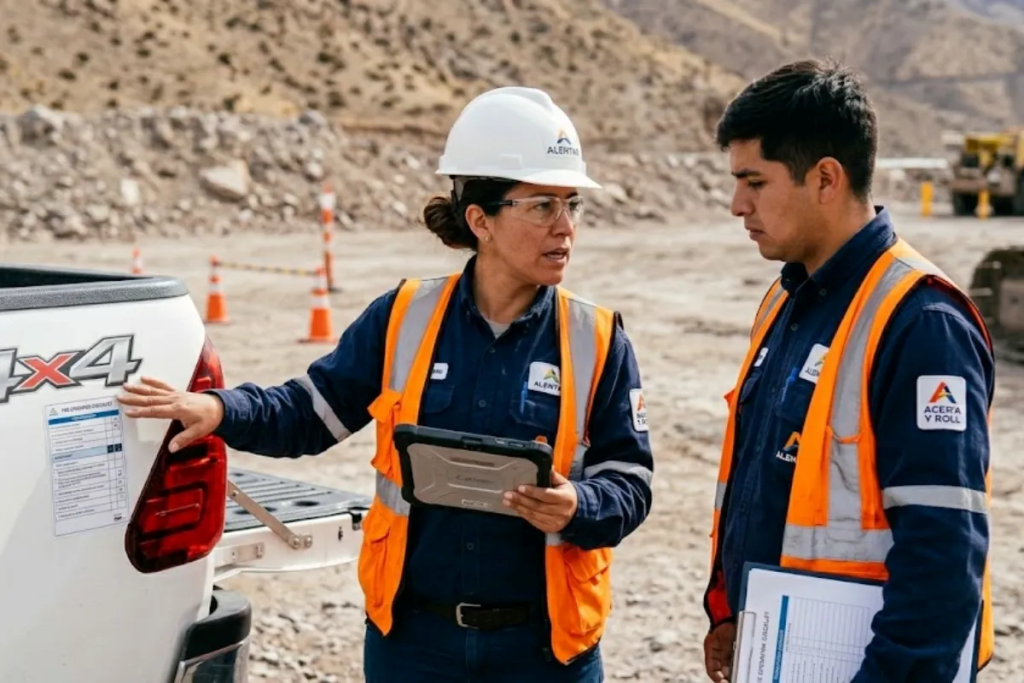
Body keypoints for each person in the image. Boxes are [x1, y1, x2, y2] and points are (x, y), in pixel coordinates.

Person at [117, 86, 654, 682]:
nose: (565, 227)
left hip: (546, 651)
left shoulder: (597, 338)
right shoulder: (402, 317)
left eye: (571, 204)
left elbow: (631, 478)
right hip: (414, 646)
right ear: (481, 220)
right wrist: (220, 408)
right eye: (542, 206)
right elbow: (309, 412)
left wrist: (581, 504)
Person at [701, 59, 995, 682]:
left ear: (826, 178)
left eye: (754, 181)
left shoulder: (922, 323)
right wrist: (730, 611)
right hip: (775, 653)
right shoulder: (788, 300)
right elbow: (764, 482)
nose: (736, 204)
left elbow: (942, 554)